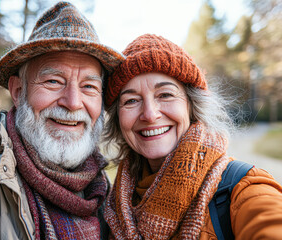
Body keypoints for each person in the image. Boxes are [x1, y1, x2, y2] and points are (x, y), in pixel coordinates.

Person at [0, 2, 124, 239]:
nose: (73, 102)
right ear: (18, 91)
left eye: (89, 86)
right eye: (53, 81)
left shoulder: (107, 196)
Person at [102, 34, 282, 239]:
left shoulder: (245, 190)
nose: (150, 115)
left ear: (191, 105)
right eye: (132, 101)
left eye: (165, 95)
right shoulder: (113, 204)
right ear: (118, 118)